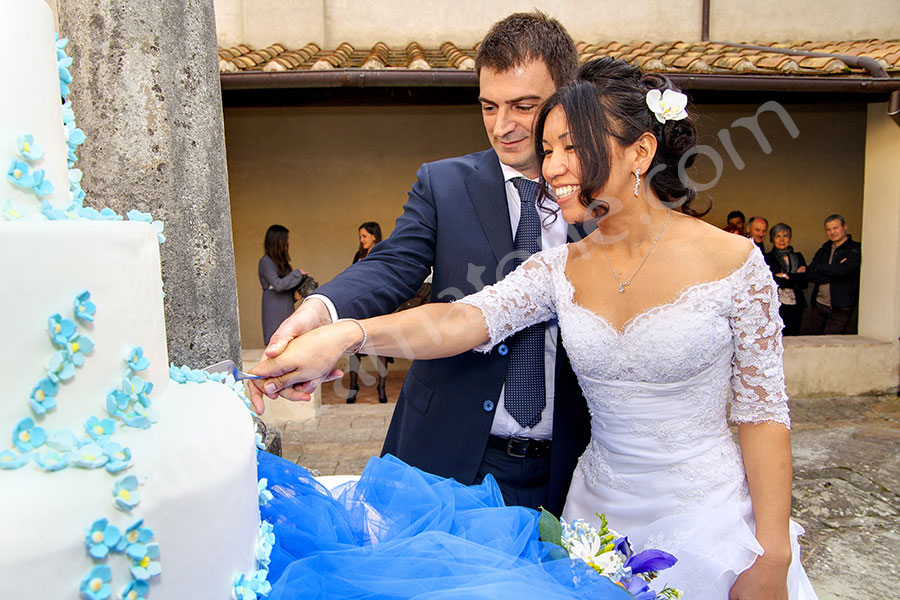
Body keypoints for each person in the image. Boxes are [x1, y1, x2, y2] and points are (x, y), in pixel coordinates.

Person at [249, 58, 818, 600]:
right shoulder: (558, 268)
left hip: (709, 520)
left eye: (574, 147)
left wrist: (771, 555)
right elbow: (461, 319)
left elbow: (763, 417)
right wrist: (348, 335)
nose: (553, 167)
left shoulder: (736, 263)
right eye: (549, 150)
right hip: (596, 519)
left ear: (641, 151)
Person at [257, 11, 588, 515]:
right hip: (445, 457)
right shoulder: (443, 184)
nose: (504, 127)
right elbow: (391, 265)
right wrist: (324, 311)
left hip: (572, 466)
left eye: (524, 105)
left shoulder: (602, 199)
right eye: (489, 106)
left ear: (566, 98)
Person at [347, 221, 390, 403]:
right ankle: (352, 387)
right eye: (360, 237)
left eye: (364, 236)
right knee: (355, 347)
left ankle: (381, 387)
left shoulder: (384, 252)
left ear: (374, 236)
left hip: (378, 305)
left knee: (382, 348)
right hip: (361, 305)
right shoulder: (359, 254)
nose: (362, 239)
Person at [805, 214, 862, 334]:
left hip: (841, 306)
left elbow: (845, 271)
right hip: (820, 305)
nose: (832, 232)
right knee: (813, 342)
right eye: (828, 229)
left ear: (844, 227)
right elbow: (810, 274)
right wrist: (835, 270)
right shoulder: (824, 249)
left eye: (835, 228)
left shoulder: (855, 249)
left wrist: (821, 268)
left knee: (830, 343)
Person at [258, 224, 308, 345]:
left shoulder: (282, 262)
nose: (288, 241)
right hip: (273, 310)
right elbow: (278, 285)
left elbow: (284, 288)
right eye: (286, 238)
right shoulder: (266, 262)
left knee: (289, 342)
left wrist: (295, 296)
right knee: (276, 342)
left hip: (286, 309)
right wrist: (297, 273)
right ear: (277, 240)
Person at [765, 223, 808, 336]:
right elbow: (772, 281)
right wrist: (794, 277)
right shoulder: (768, 258)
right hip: (778, 304)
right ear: (772, 239)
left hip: (796, 303)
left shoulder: (798, 256)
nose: (782, 239)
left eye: (785, 236)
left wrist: (785, 275)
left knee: (794, 334)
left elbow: (804, 281)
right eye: (778, 236)